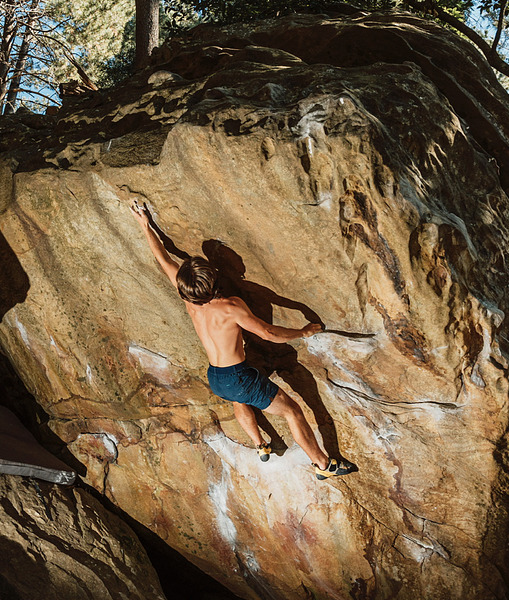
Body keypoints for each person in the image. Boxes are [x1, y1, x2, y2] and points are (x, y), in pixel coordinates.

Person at [131, 199, 357, 480]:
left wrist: (144, 223)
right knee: (292, 411)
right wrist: (303, 332)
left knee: (239, 401)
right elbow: (268, 333)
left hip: (217, 377)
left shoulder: (187, 298)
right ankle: (324, 465)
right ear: (213, 280)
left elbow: (163, 256)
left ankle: (260, 444)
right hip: (239, 376)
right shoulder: (231, 306)